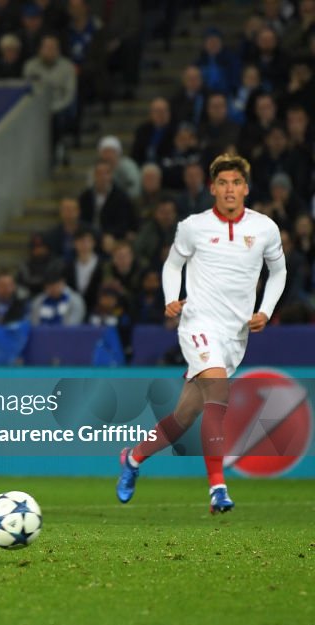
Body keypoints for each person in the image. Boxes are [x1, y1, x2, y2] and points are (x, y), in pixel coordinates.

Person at [117, 153, 285, 513]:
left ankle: (132, 459)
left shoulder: (265, 228)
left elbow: (279, 272)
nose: (229, 189)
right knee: (218, 392)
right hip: (198, 324)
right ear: (212, 188)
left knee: (184, 417)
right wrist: (170, 298)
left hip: (235, 333)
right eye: (222, 183)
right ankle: (217, 489)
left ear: (246, 188)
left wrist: (265, 311)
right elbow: (173, 265)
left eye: (236, 183)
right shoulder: (193, 226)